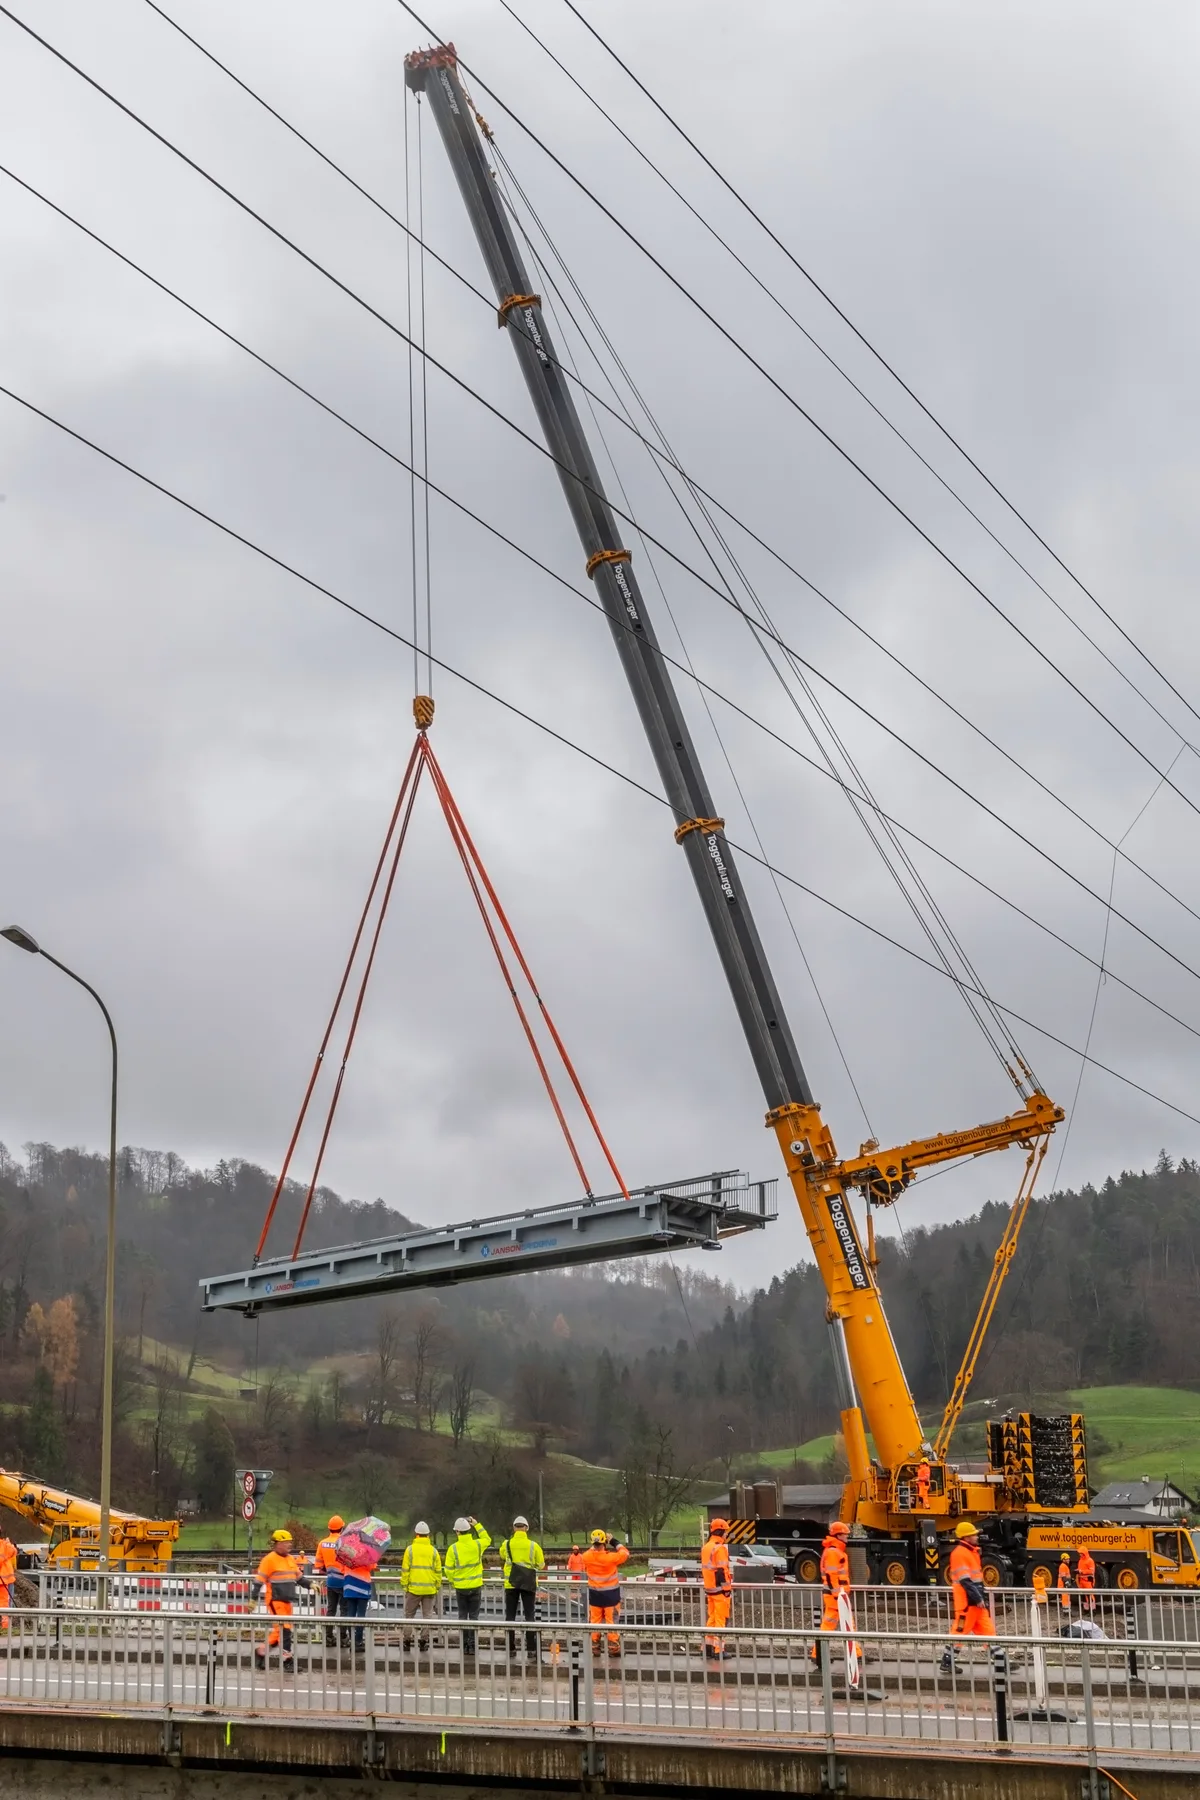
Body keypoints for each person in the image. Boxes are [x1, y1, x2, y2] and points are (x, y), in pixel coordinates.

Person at [942, 1520, 994, 1674]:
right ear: (966, 1537)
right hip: (967, 1604)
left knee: (988, 1631)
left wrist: (980, 1599)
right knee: (959, 1633)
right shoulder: (959, 1554)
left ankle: (1000, 1660)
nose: (976, 1536)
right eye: (973, 1534)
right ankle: (947, 1661)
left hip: (975, 1602)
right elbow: (965, 1581)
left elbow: (974, 1580)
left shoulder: (971, 1552)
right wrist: (978, 1599)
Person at [253, 1529, 308, 1669]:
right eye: (286, 1542)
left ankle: (261, 1652)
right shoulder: (269, 1560)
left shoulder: (290, 1559)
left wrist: (311, 1585)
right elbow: (259, 1581)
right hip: (275, 1599)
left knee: (281, 1632)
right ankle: (287, 1660)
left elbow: (299, 1578)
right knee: (285, 1629)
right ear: (278, 1544)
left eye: (290, 1542)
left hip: (287, 1600)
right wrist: (253, 1599)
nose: (290, 1545)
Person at [498, 1515, 545, 1660]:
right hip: (528, 1584)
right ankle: (531, 1649)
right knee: (530, 1616)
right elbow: (541, 1565)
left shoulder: (506, 1544)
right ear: (526, 1528)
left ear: (514, 1528)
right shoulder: (533, 1545)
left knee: (510, 1616)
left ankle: (511, 1648)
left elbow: (502, 1555)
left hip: (510, 1584)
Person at [444, 1516, 491, 1659]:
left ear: (457, 1532)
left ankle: (465, 1645)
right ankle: (472, 1645)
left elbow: (448, 1569)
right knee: (474, 1617)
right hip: (475, 1586)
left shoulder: (453, 1549)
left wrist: (454, 1581)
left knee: (463, 1617)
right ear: (469, 1530)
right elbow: (487, 1539)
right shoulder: (477, 1545)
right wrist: (477, 1524)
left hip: (461, 1588)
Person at [580, 1528, 629, 1658]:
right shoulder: (611, 1558)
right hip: (611, 1597)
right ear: (604, 1543)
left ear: (592, 1543)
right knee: (611, 1621)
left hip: (595, 1596)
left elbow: (590, 1551)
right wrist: (613, 1540)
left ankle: (595, 1648)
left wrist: (596, 1541)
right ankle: (613, 1648)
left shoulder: (586, 1557)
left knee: (595, 1622)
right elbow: (625, 1553)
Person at [811, 1521, 855, 1664]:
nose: (847, 1537)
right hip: (835, 1596)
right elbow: (831, 1577)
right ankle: (818, 1654)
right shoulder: (833, 1552)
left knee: (848, 1624)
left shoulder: (835, 1551)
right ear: (838, 1535)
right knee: (829, 1625)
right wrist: (838, 1595)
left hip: (838, 1595)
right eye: (845, 1534)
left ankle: (856, 1653)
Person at [401, 1522, 442, 1653]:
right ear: (428, 1535)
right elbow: (438, 1571)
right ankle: (423, 1641)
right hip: (429, 1589)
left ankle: (407, 1641)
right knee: (427, 1616)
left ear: (416, 1534)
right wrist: (436, 1586)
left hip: (413, 1589)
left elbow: (405, 1570)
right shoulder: (433, 1551)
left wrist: (405, 1586)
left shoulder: (410, 1550)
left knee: (409, 1615)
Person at [701, 1516, 732, 1661]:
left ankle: (707, 1648)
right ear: (720, 1532)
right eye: (725, 1532)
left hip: (710, 1589)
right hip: (719, 1591)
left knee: (712, 1618)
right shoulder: (719, 1548)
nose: (726, 1534)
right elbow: (721, 1571)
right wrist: (726, 1589)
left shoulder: (706, 1547)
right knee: (721, 1620)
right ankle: (719, 1650)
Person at [314, 1514, 348, 1648]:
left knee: (331, 1609)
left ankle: (328, 1637)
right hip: (344, 1581)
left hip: (331, 1581)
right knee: (344, 1610)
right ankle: (343, 1637)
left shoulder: (322, 1543)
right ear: (342, 1528)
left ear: (329, 1528)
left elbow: (318, 1565)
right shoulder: (344, 1543)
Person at [0, 1534, 17, 1631]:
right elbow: (14, 1551)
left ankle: (5, 1627)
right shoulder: (4, 1544)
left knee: (4, 1604)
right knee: (5, 1605)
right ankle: (5, 1628)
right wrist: (9, 1543)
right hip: (5, 1581)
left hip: (5, 1581)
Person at [1076, 1544, 1096, 1612]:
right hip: (1081, 1580)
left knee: (1090, 1595)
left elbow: (1091, 1571)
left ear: (1084, 1553)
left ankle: (1093, 1610)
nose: (1080, 1555)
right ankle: (1086, 1609)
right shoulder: (1080, 1560)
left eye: (1080, 1553)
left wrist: (1082, 1572)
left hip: (1088, 1581)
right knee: (1084, 1596)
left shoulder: (1090, 1560)